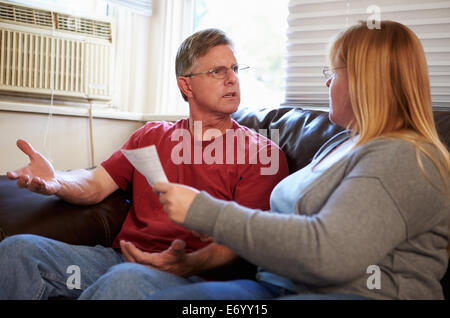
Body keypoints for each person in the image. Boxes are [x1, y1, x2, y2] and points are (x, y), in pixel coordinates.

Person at [147, 20, 450, 300]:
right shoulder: (343, 143)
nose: (328, 84)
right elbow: (299, 225)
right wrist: (224, 227)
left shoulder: (402, 156)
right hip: (276, 285)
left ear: (364, 80)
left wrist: (207, 212)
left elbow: (329, 252)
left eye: (333, 73)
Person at [0, 28, 289, 300]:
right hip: (119, 260)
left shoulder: (262, 154)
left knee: (125, 280)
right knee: (18, 251)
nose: (232, 79)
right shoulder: (151, 135)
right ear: (186, 85)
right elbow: (96, 184)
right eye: (217, 71)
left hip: (191, 275)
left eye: (235, 69)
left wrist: (187, 263)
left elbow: (243, 240)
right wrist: (57, 181)